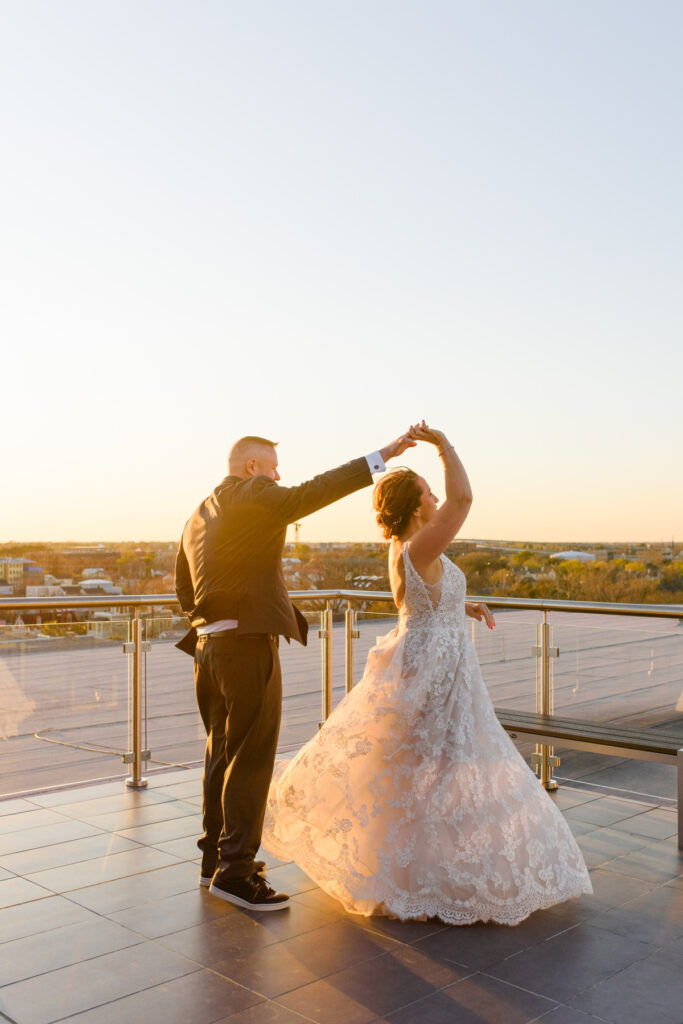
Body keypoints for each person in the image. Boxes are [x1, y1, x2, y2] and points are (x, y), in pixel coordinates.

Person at [262, 422, 592, 924]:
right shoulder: (418, 547)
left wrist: (464, 605)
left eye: (432, 490)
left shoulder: (413, 549)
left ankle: (418, 870)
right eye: (427, 492)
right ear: (416, 507)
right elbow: (464, 499)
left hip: (436, 662)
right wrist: (443, 445)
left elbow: (426, 603)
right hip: (433, 672)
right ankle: (429, 875)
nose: (436, 497)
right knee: (437, 770)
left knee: (428, 773)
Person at [174, 431, 416, 911]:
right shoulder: (254, 494)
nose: (279, 477)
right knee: (252, 758)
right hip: (245, 645)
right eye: (273, 467)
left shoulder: (198, 513)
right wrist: (380, 457)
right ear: (251, 467)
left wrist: (208, 626)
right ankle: (237, 874)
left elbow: (184, 583)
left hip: (208, 647)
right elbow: (314, 492)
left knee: (220, 754)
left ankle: (214, 861)